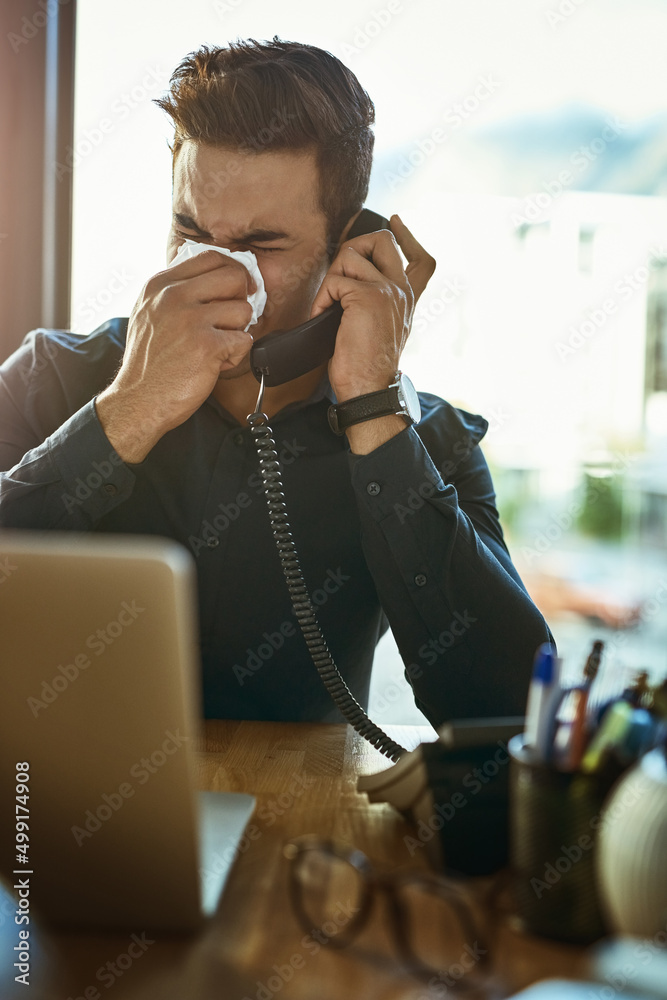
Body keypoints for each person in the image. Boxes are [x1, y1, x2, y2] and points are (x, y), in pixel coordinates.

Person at [0, 38, 552, 728]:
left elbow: (510, 710)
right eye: (189, 230)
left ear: (347, 250)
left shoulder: (429, 440)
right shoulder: (50, 376)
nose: (216, 273)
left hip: (291, 823)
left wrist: (373, 412)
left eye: (262, 246)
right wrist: (129, 411)